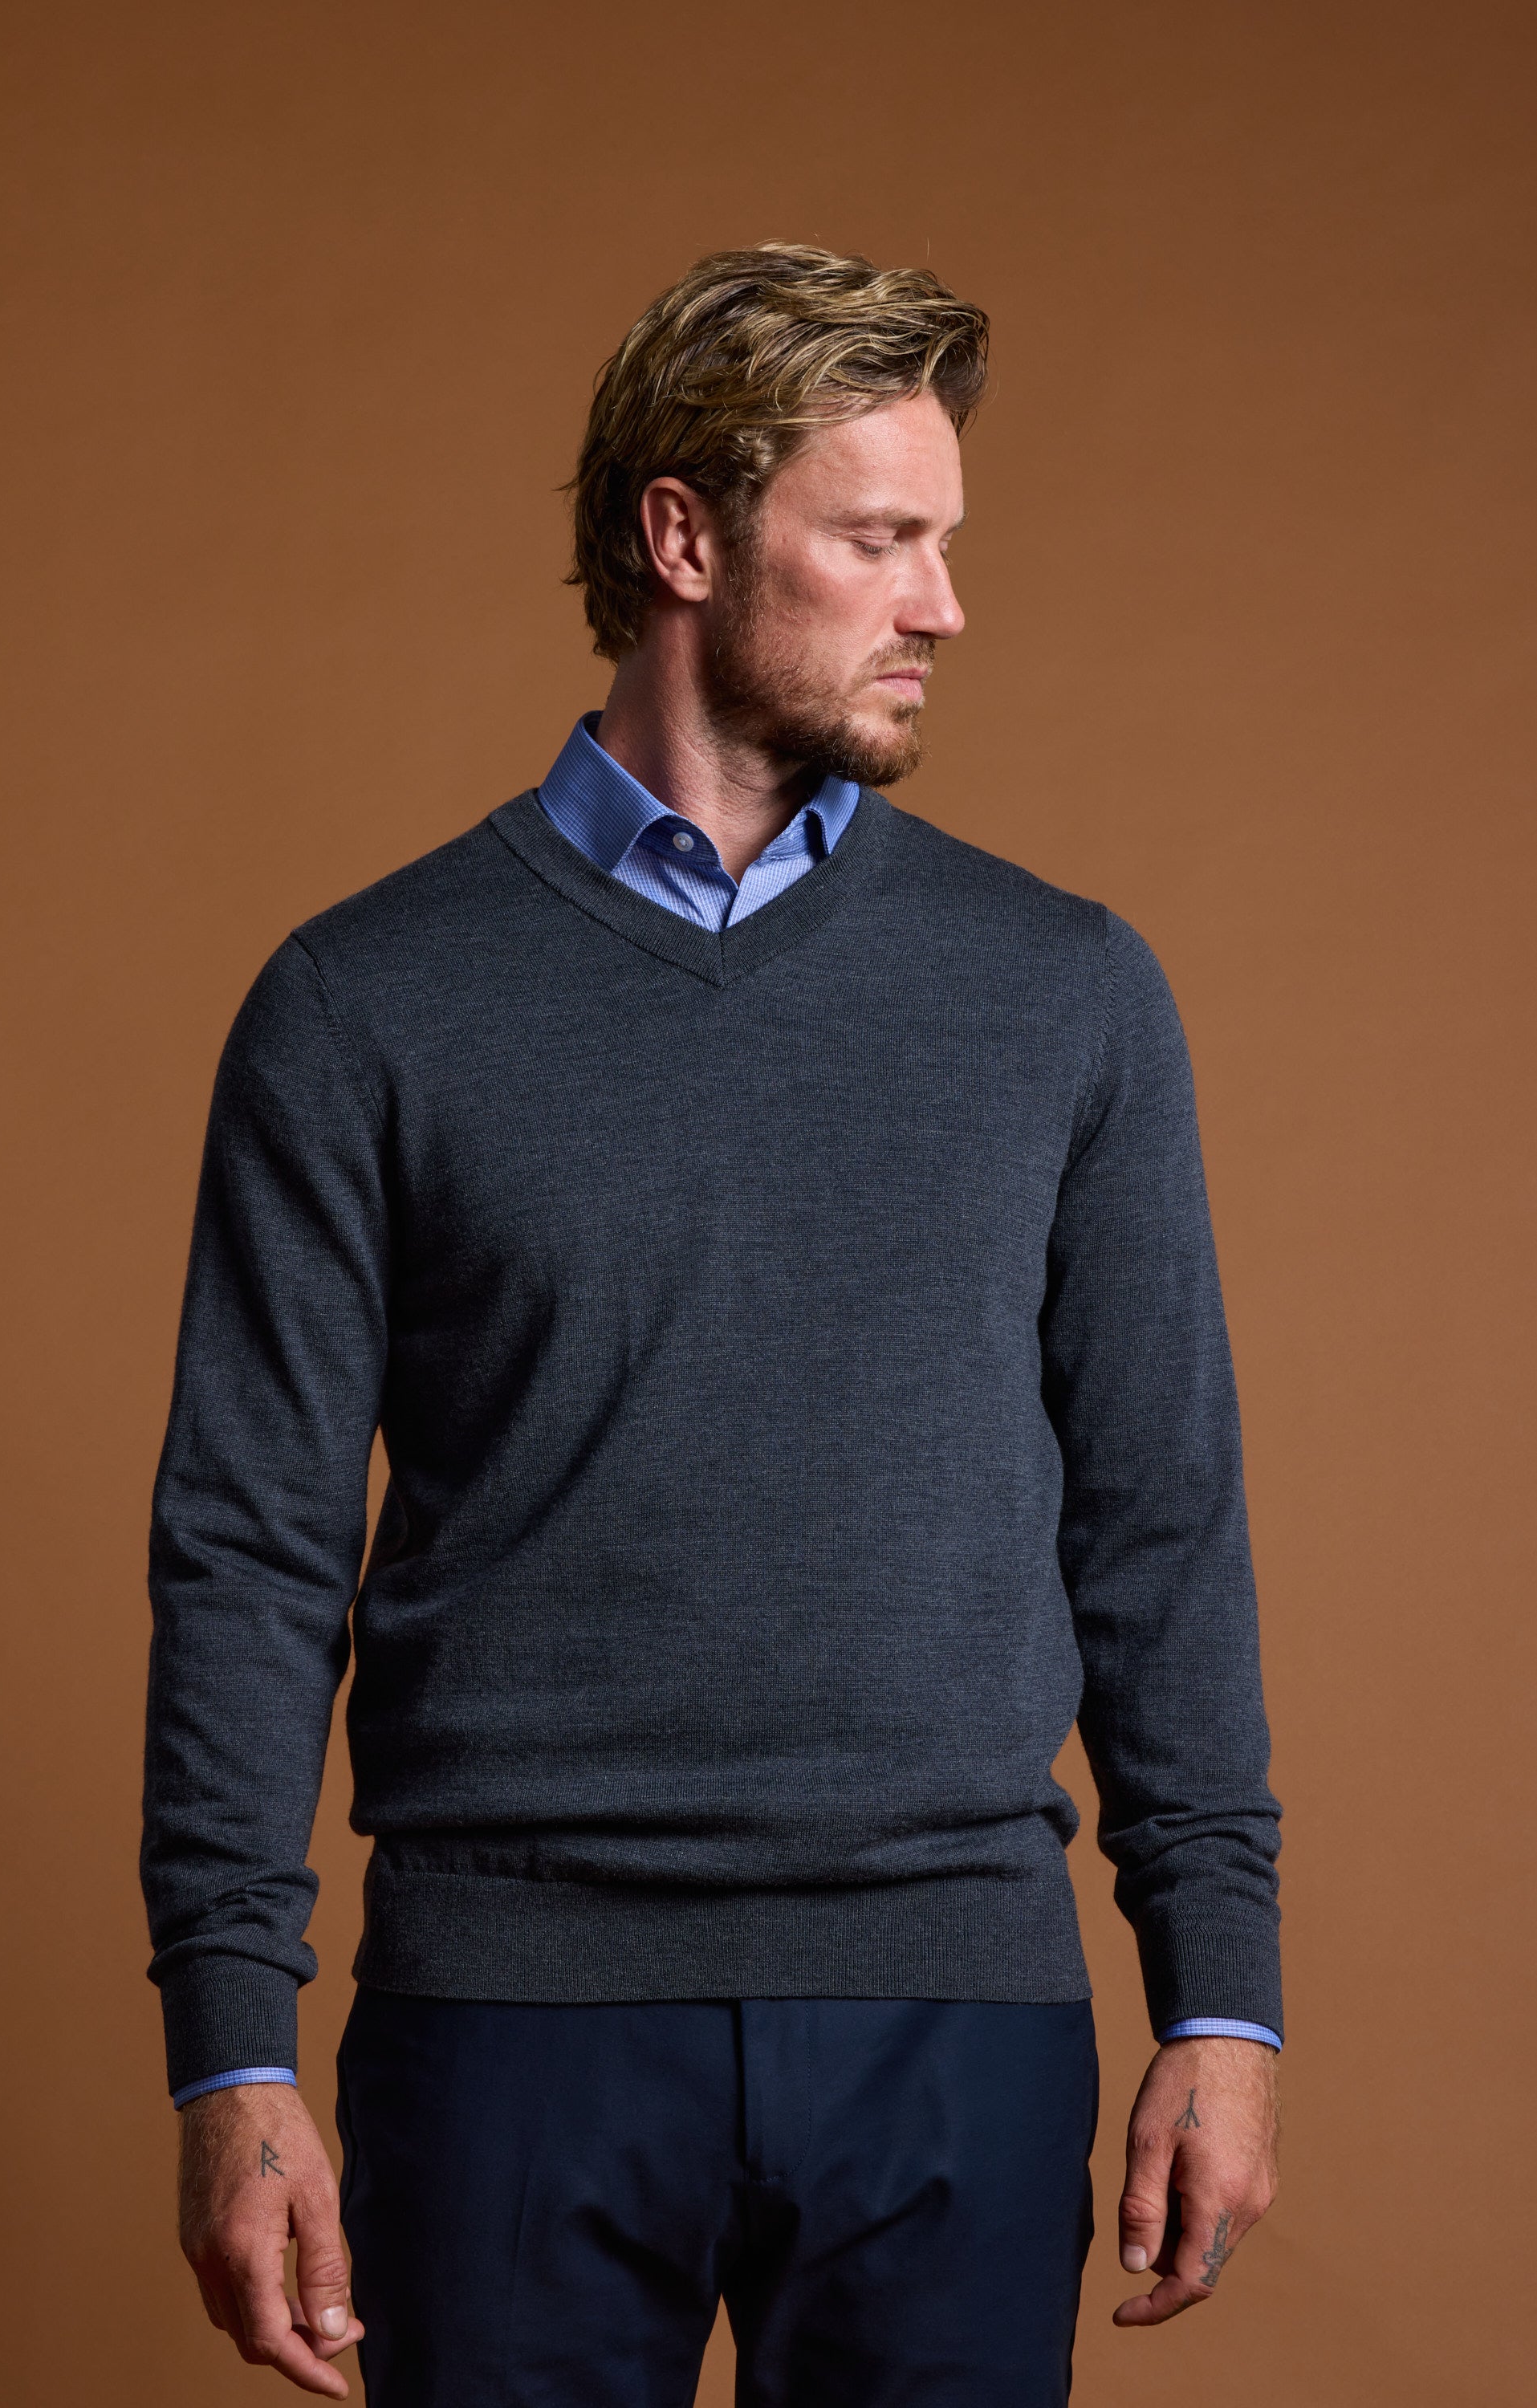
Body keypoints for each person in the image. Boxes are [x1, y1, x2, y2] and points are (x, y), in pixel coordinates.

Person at [142, 243, 1282, 2406]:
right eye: (877, 540)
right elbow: (250, 1554)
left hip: (957, 2017)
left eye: (944, 541)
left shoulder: (1063, 991)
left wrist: (1218, 2003)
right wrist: (229, 2047)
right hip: (507, 2026)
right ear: (683, 536)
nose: (941, 604)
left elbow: (1158, 1521)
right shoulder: (363, 1000)